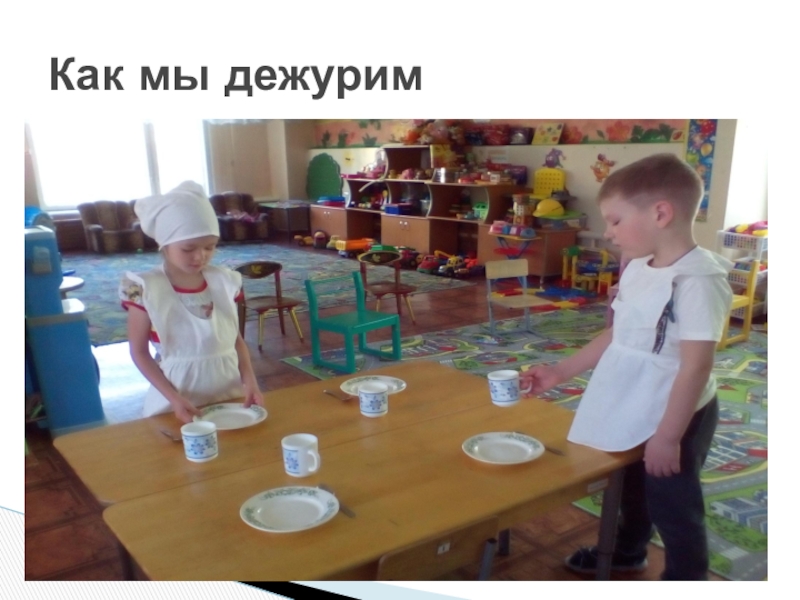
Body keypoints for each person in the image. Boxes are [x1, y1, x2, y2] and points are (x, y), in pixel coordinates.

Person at [520, 154, 733, 580]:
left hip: (679, 415)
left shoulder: (697, 281)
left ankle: (686, 578)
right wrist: (560, 371)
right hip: (634, 398)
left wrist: (668, 436)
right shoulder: (638, 267)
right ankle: (628, 550)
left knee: (674, 505)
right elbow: (620, 335)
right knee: (632, 488)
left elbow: (695, 367)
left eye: (615, 221)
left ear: (660, 213)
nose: (608, 232)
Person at [119, 180, 264, 423]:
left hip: (228, 395)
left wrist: (250, 381)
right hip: (174, 402)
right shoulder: (146, 288)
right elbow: (139, 352)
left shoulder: (224, 282)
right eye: (188, 249)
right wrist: (174, 398)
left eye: (210, 247)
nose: (200, 256)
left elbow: (235, 339)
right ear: (164, 245)